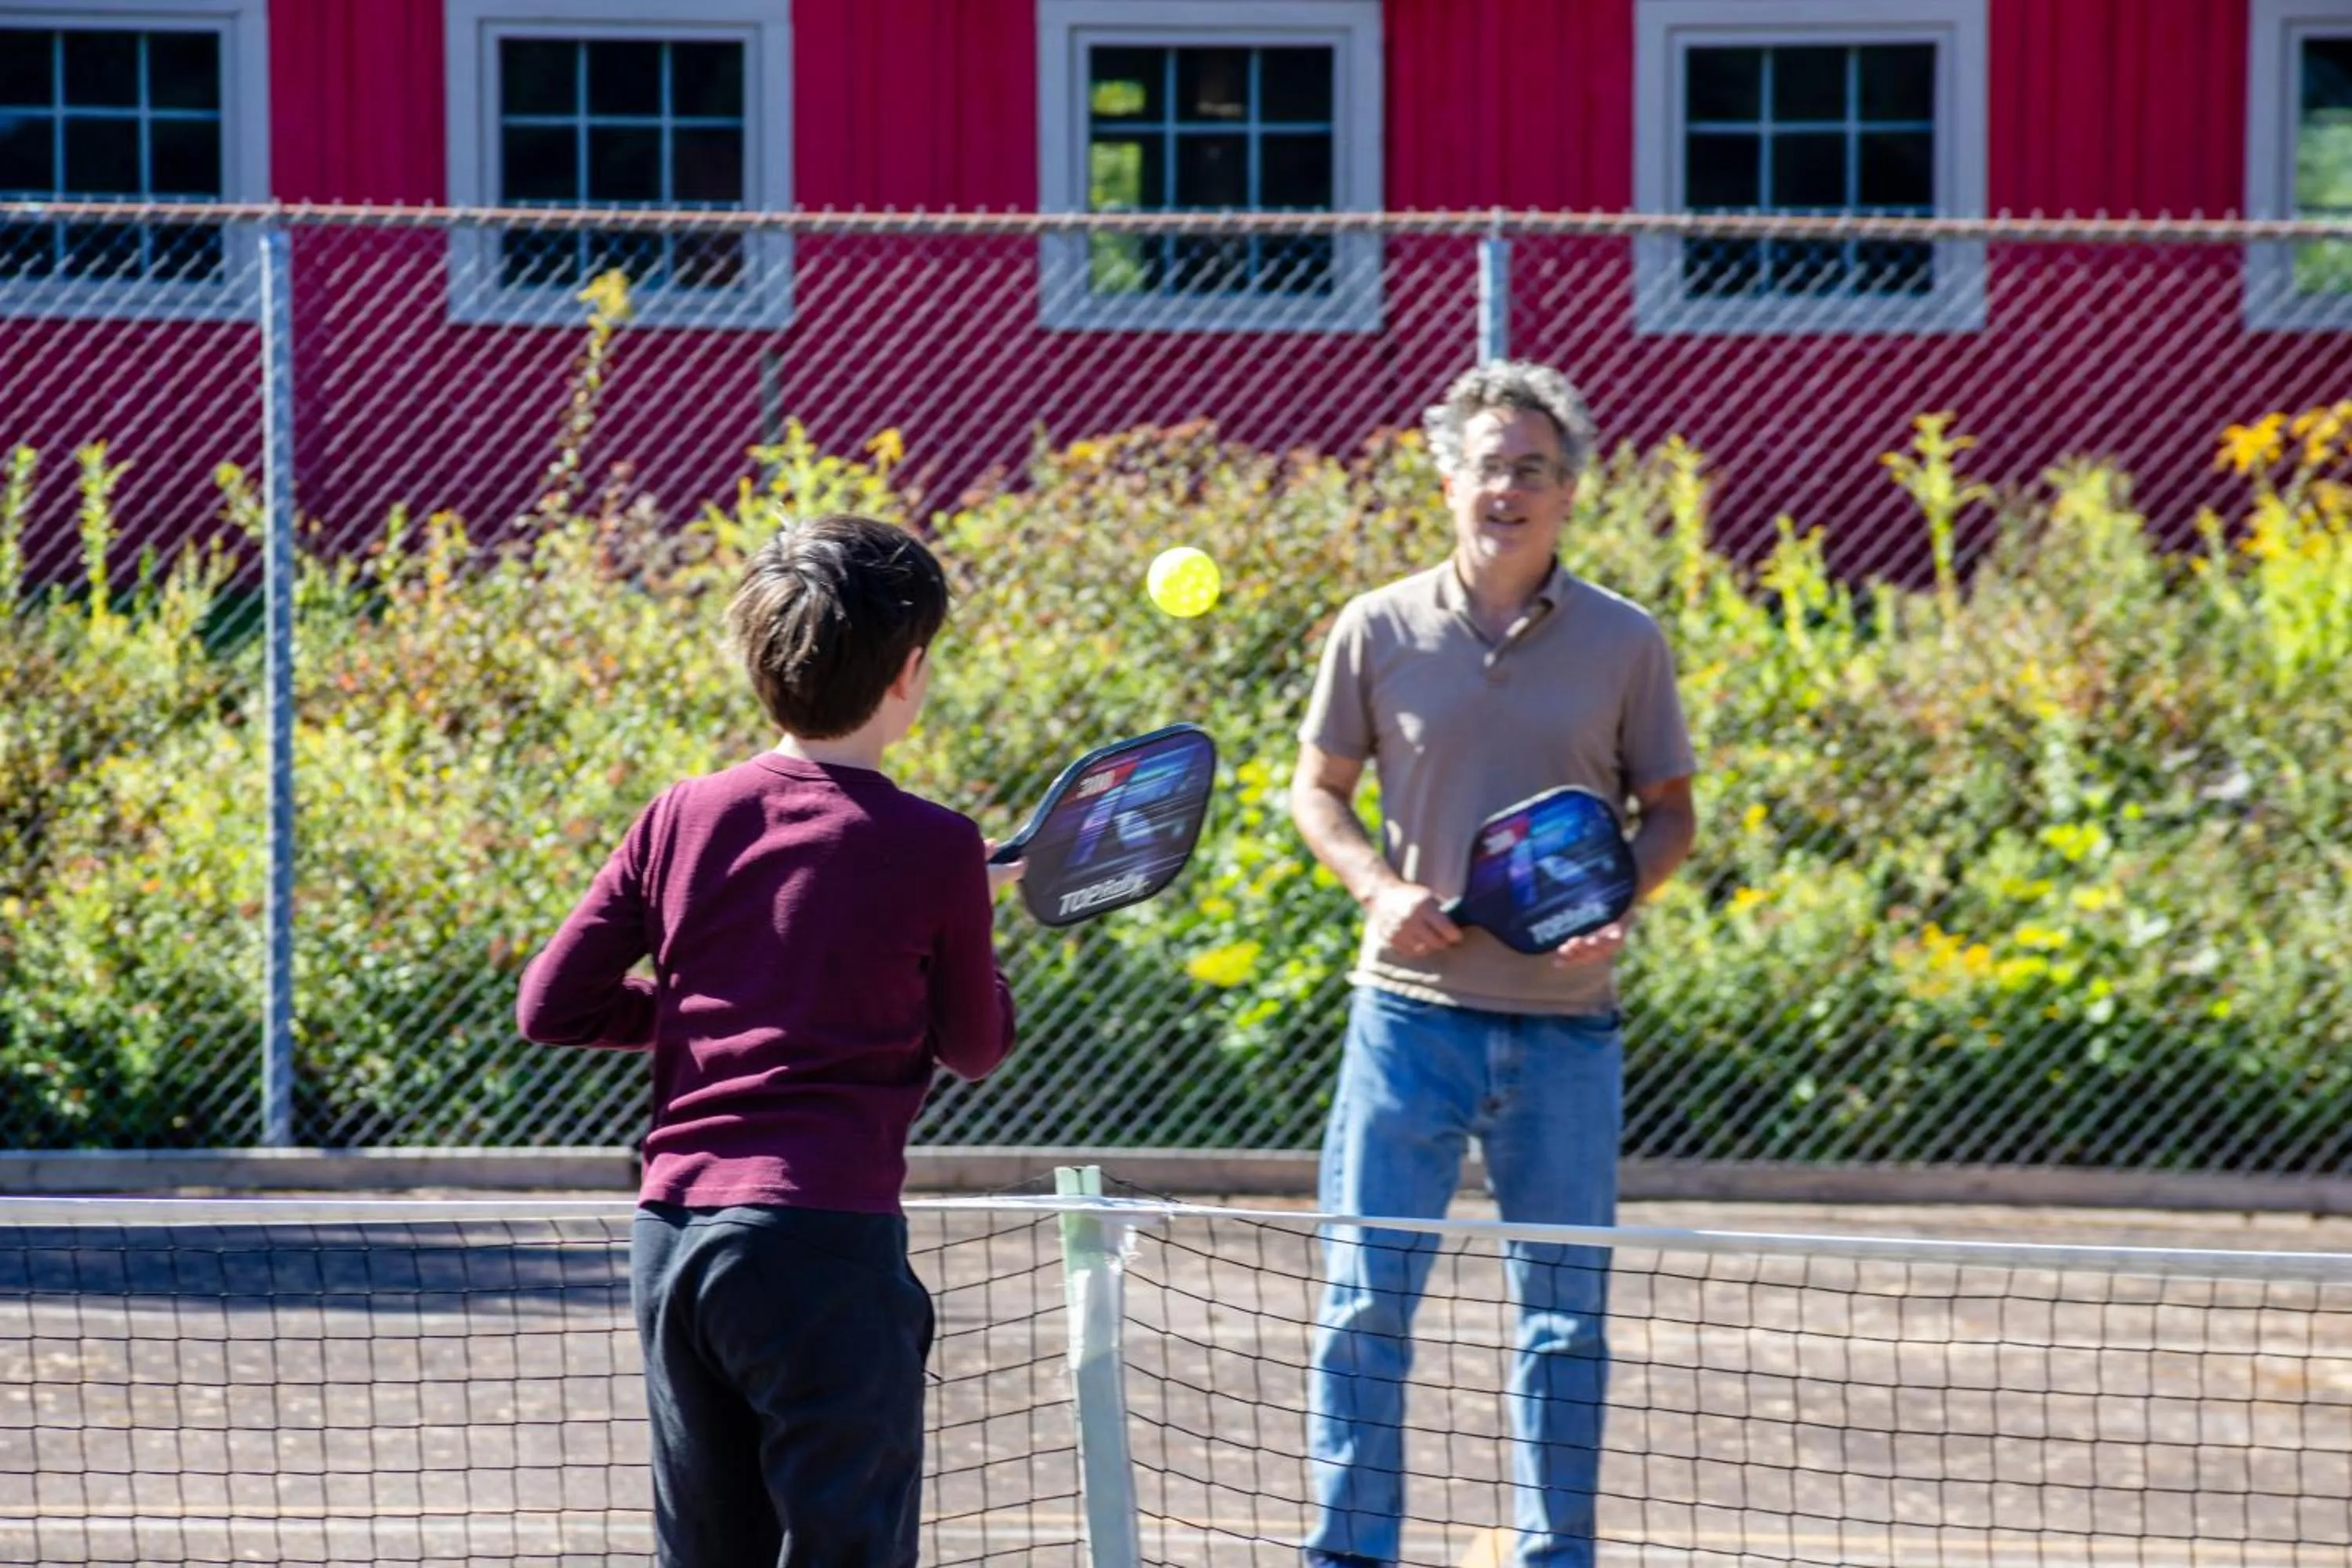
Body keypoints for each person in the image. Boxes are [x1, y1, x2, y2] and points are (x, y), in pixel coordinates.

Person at [515, 513, 1022, 1568]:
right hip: (823, 1247)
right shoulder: (938, 847)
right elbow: (975, 1045)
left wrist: (737, 1012)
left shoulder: (679, 815)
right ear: (912, 671)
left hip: (674, 1241)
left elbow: (550, 1004)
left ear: (755, 658)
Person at [1290, 361, 1699, 1568]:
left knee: (1565, 1324)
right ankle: (1348, 1553)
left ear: (1568, 492)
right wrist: (1378, 885)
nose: (1506, 488)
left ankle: (1552, 1555)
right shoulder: (1377, 627)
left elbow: (1669, 812)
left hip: (1570, 1029)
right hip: (1406, 1021)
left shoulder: (1628, 642)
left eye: (1533, 468)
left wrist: (1623, 897)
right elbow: (1316, 792)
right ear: (1447, 479)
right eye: (1487, 464)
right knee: (1364, 1307)